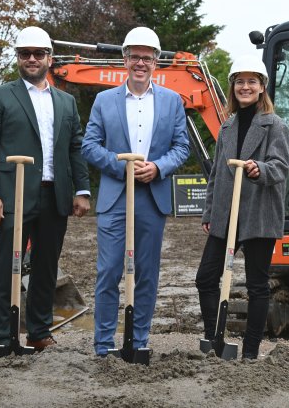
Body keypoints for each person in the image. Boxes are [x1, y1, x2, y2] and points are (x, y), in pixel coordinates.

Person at [0, 26, 92, 355]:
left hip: (55, 195)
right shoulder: (0, 96)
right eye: (25, 53)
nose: (31, 59)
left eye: (38, 53)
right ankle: (1, 334)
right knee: (6, 266)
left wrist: (81, 190)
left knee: (46, 267)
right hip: (13, 194)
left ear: (49, 59)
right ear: (18, 57)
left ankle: (39, 331)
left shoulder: (66, 102)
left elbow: (74, 148)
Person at [82, 26, 191, 356]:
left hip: (151, 197)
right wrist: (122, 165)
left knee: (146, 273)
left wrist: (157, 167)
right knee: (109, 272)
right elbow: (89, 145)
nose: (140, 63)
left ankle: (139, 341)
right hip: (116, 196)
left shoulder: (173, 102)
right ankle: (103, 346)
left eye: (147, 57)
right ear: (124, 59)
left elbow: (181, 147)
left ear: (156, 62)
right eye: (134, 56)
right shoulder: (104, 100)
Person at [194, 56, 289, 360]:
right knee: (206, 278)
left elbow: (281, 167)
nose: (245, 87)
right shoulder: (227, 126)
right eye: (239, 81)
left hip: (258, 213)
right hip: (225, 214)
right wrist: (210, 213)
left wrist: (258, 168)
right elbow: (216, 177)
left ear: (262, 87)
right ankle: (215, 340)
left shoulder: (276, 125)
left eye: (252, 81)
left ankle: (250, 351)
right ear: (233, 86)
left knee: (257, 285)